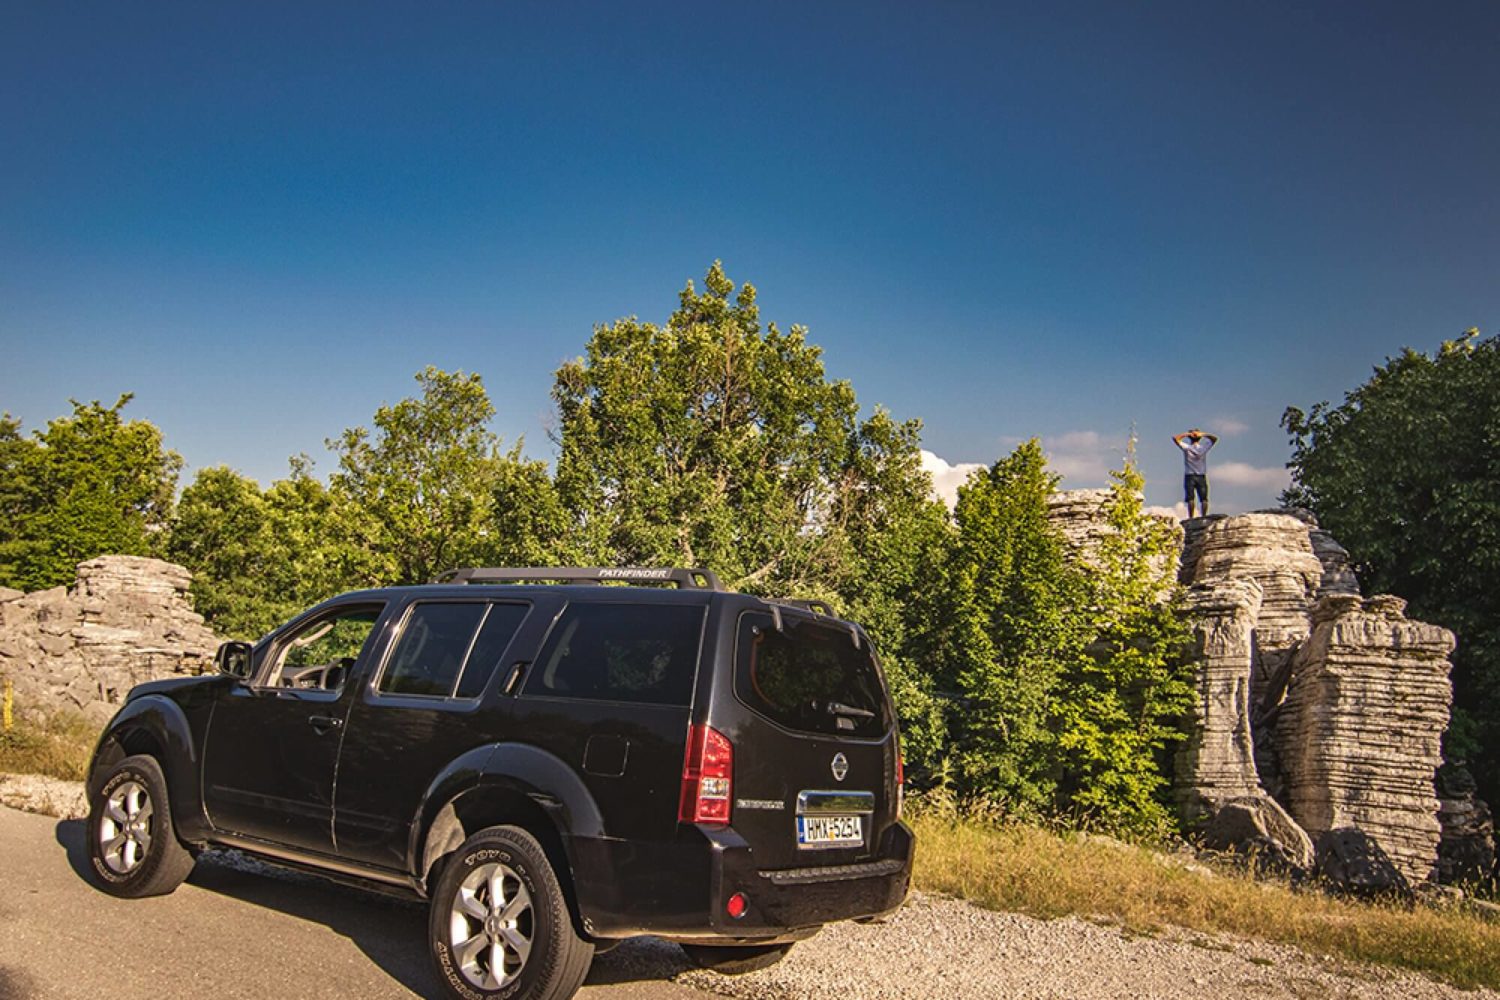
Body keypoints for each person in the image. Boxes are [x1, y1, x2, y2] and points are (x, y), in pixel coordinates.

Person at [1173, 428, 1218, 517]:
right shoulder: (1203, 448)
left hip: (1189, 475)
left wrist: (1188, 434)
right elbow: (1214, 439)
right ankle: (1204, 516)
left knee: (1190, 498)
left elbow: (1176, 438)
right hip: (1201, 475)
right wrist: (1202, 434)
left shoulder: (1187, 447)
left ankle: (1191, 517)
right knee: (1204, 498)